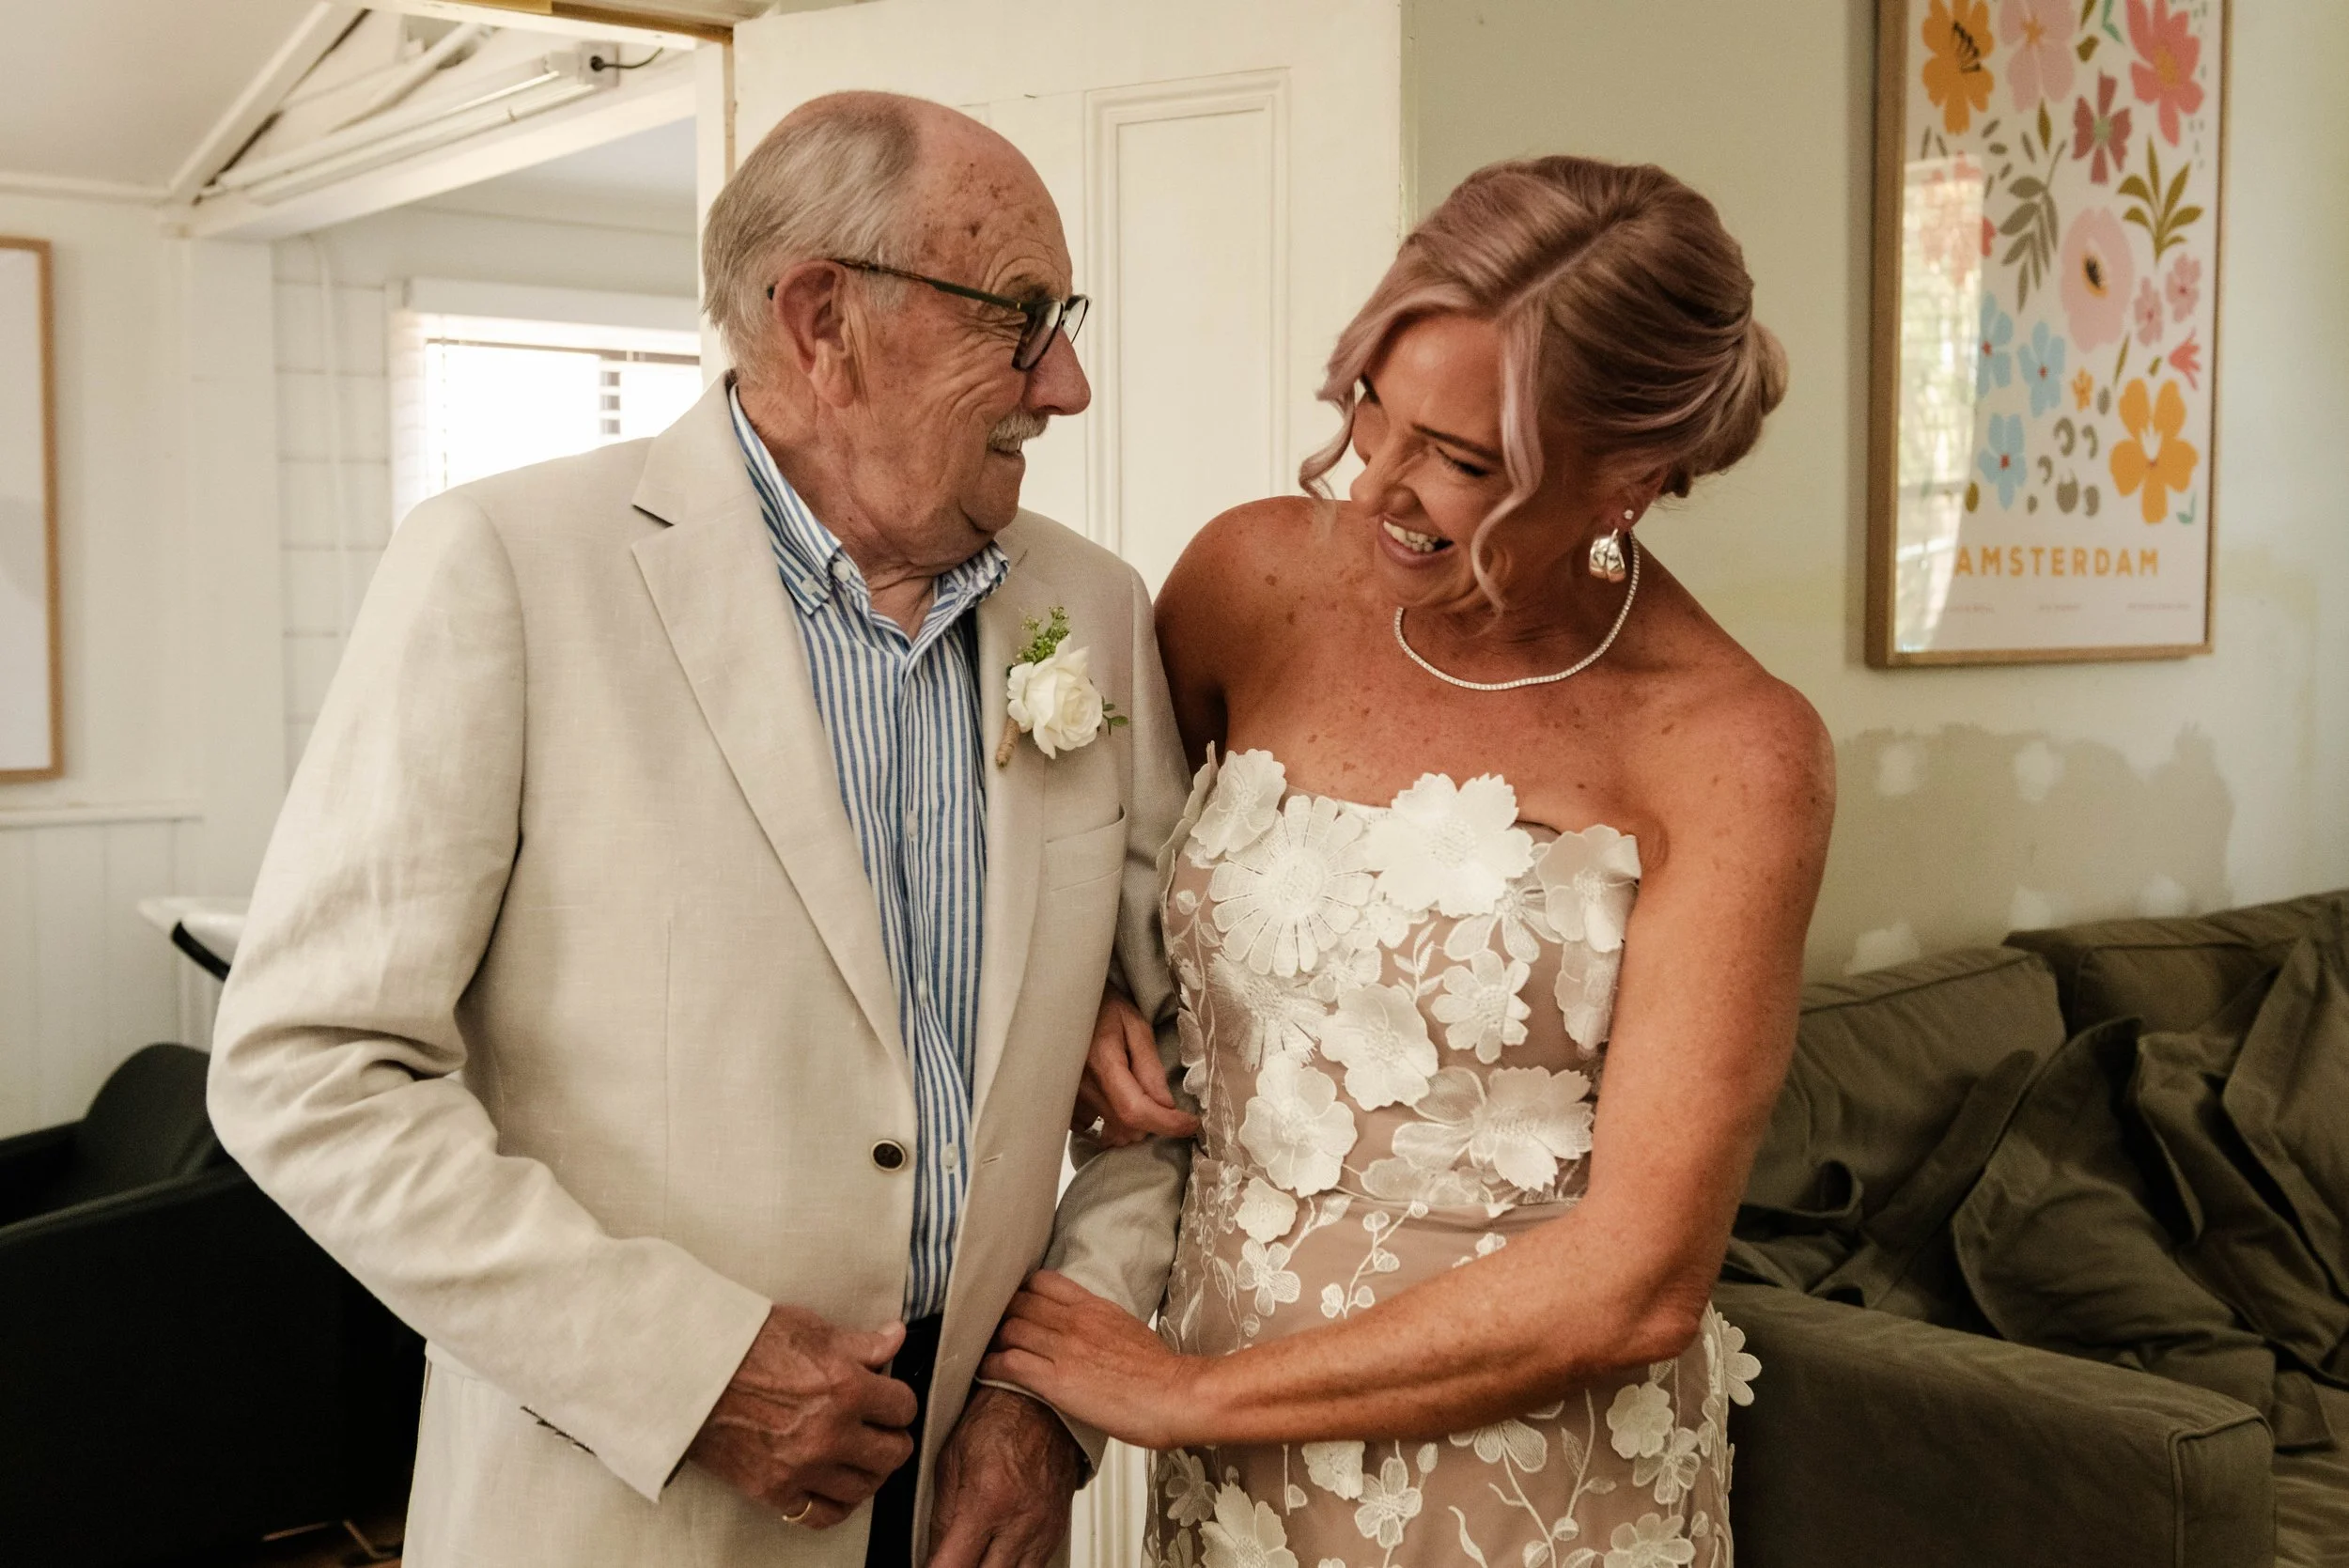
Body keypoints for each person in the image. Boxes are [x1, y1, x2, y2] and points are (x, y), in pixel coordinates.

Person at [206, 92, 1193, 1568]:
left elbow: (1179, 1079)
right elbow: (308, 1070)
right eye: (1022, 315)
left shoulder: (1097, 610)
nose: (1066, 385)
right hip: (621, 1506)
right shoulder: (506, 570)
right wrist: (688, 1367)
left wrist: (1044, 1402)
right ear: (820, 317)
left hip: (974, 1518)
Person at [991, 155, 1834, 1568]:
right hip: (1233, 1469)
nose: (1379, 484)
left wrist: (1193, 1397)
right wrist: (1092, 1005)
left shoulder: (1737, 753)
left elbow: (1638, 1280)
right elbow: (1111, 871)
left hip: (1527, 1485)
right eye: (1371, 408)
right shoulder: (1251, 585)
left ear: (1631, 477)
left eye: (1464, 461)